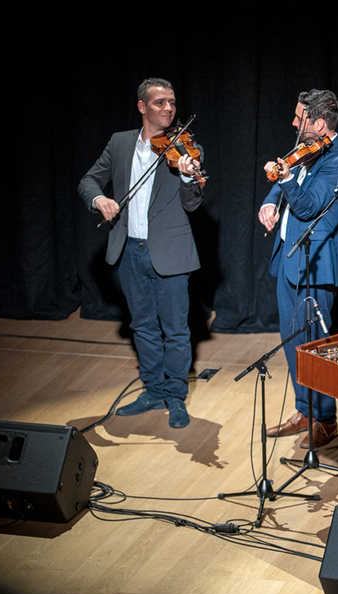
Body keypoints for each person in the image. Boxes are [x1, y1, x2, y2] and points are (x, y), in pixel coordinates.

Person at [78, 77, 204, 428]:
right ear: (142, 107)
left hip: (171, 253)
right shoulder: (120, 143)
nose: (168, 108)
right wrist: (99, 198)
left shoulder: (184, 148)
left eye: (172, 103)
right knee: (143, 326)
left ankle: (175, 397)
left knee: (176, 329)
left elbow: (193, 203)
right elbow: (88, 181)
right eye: (160, 102)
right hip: (130, 250)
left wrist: (187, 177)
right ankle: (153, 389)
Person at [260, 89, 338, 449]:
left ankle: (326, 419)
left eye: (300, 117)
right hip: (288, 258)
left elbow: (309, 206)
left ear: (318, 123)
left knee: (316, 348)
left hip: (315, 265)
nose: (294, 123)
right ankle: (305, 410)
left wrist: (284, 181)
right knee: (293, 344)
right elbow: (285, 183)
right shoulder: (306, 149)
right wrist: (270, 202)